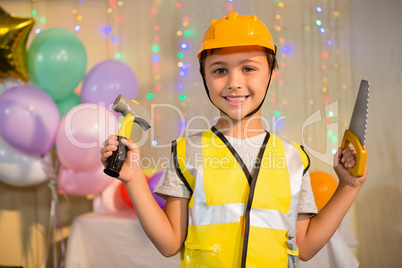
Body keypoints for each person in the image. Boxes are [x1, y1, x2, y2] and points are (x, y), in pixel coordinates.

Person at [100, 12, 368, 267]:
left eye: (249, 68)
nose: (234, 82)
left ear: (272, 73)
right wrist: (134, 179)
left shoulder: (294, 158)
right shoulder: (186, 152)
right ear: (204, 76)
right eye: (219, 71)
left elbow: (306, 245)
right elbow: (170, 243)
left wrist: (348, 187)